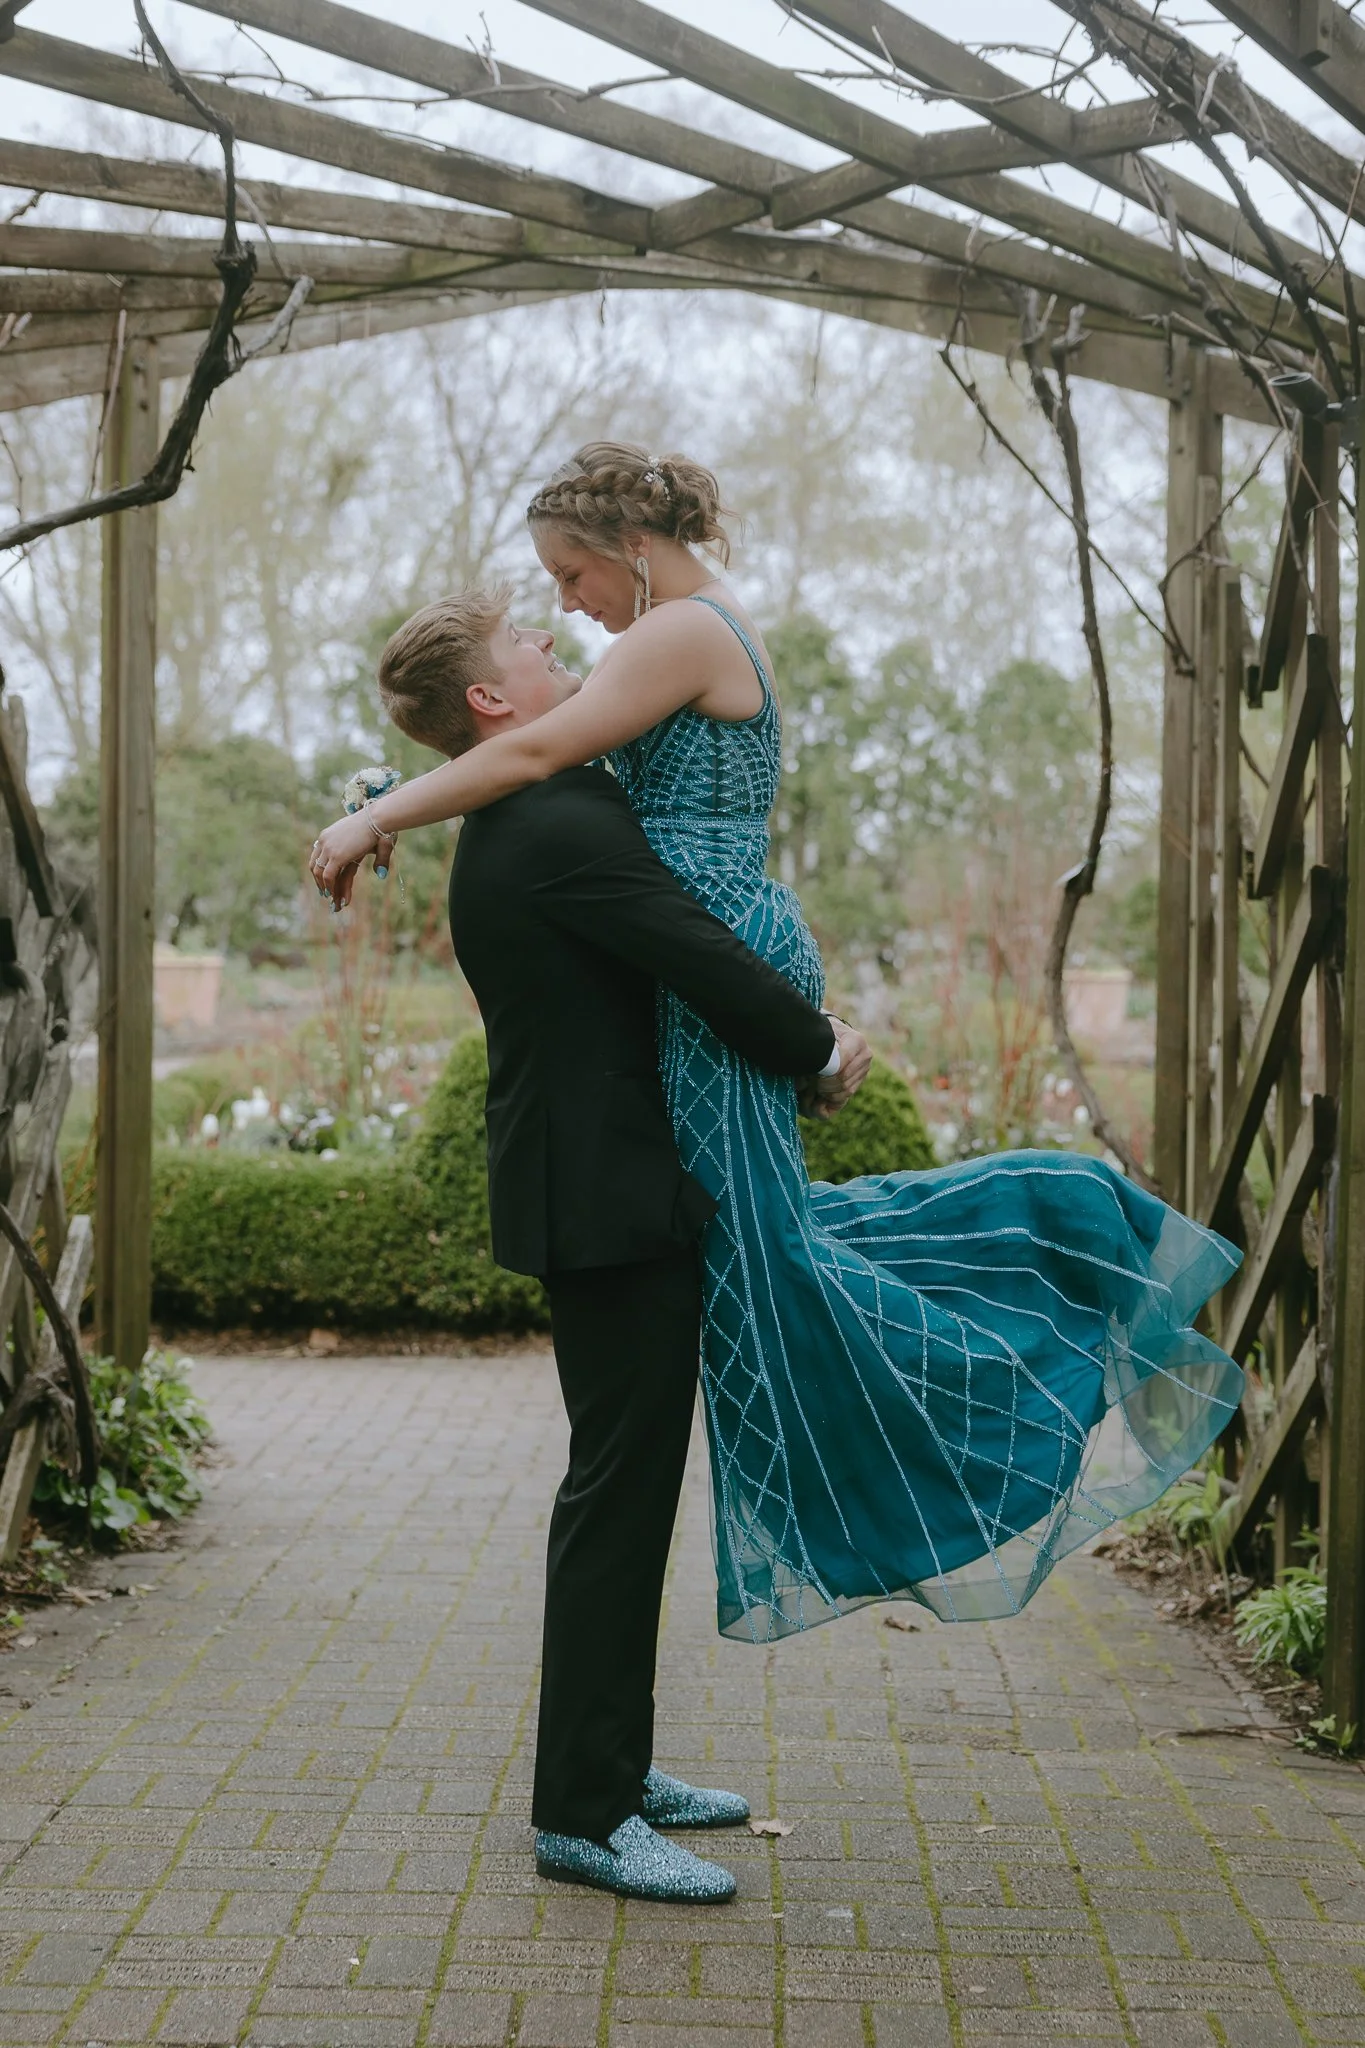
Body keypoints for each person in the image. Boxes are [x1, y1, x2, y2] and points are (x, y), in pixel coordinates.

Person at [312, 440, 1244, 1652]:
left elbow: (536, 750)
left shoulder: (677, 632)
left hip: (713, 966)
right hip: (715, 956)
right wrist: (396, 779)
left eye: (569, 575)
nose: (566, 606)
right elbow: (519, 755)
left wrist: (375, 811)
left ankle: (1032, 1308)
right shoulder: (678, 631)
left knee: (773, 1262)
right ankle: (1040, 1254)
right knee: (774, 1252)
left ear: (631, 549)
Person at [337, 588, 871, 1903]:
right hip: (610, 1193)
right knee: (616, 1500)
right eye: (534, 649)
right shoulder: (554, 818)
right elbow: (687, 947)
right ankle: (581, 1810)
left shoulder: (534, 808)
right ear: (492, 706)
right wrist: (817, 1047)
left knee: (625, 1490)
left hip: (608, 1184)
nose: (562, 650)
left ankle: (615, 1772)